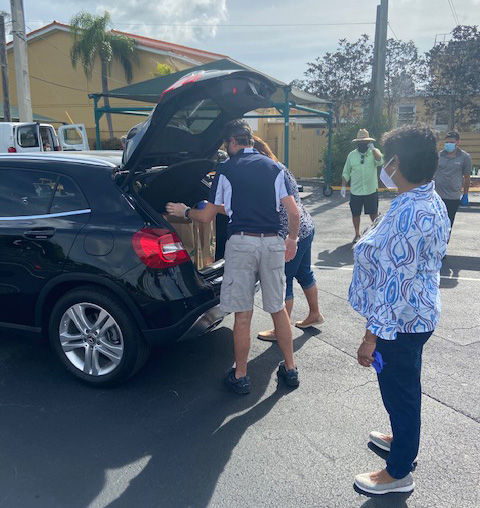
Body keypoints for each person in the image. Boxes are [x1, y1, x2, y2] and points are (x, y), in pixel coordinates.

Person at [348, 124, 450, 495]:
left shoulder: (410, 212)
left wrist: (369, 338)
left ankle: (399, 471)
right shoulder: (426, 198)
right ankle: (402, 440)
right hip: (417, 315)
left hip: (400, 324)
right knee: (404, 388)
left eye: (386, 158)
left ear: (398, 162)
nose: (383, 165)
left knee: (399, 391)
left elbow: (394, 286)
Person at [166, 119, 301, 394]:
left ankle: (240, 376)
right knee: (277, 309)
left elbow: (205, 217)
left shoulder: (226, 169)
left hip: (242, 245)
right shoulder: (274, 167)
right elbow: (293, 212)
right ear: (250, 139)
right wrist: (292, 240)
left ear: (232, 143)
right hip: (273, 243)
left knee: (243, 313)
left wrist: (183, 211)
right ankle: (291, 369)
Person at [253, 137, 325, 341]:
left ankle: (280, 331)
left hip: (290, 234)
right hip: (306, 227)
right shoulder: (279, 166)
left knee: (284, 281)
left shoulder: (266, 173)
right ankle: (315, 314)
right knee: (304, 272)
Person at [341, 129, 384, 244]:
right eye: (360, 142)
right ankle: (357, 234)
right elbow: (346, 171)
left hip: (371, 190)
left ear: (368, 142)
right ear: (357, 143)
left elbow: (380, 160)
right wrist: (343, 186)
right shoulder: (352, 155)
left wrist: (373, 148)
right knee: (355, 214)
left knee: (373, 213)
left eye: (364, 142)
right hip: (356, 191)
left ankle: (377, 233)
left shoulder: (373, 152)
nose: (362, 144)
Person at [434, 130, 471, 236]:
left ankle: (444, 247)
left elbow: (467, 178)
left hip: (453, 197)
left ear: (458, 142)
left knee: (447, 225)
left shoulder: (465, 157)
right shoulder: (439, 155)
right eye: (446, 142)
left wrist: (465, 194)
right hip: (437, 196)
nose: (448, 144)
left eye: (451, 142)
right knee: (435, 224)